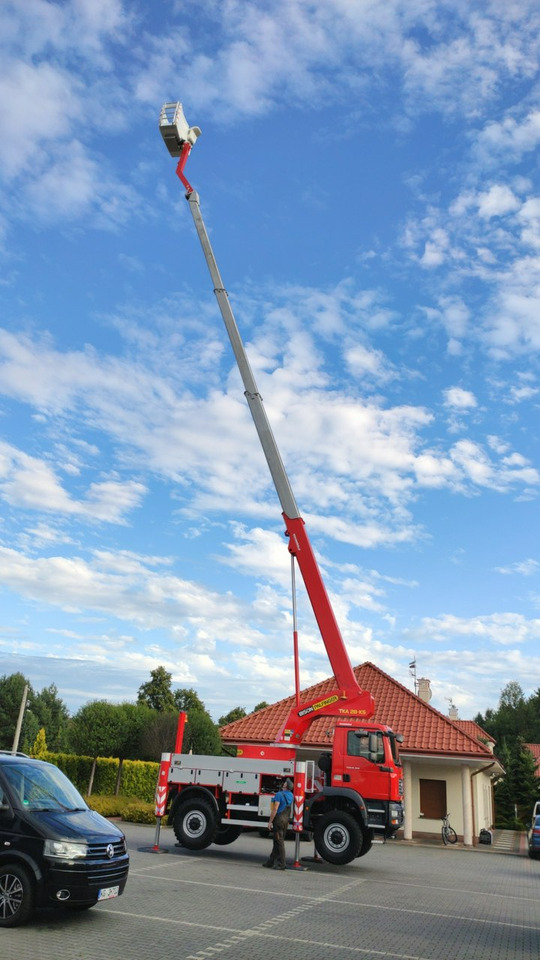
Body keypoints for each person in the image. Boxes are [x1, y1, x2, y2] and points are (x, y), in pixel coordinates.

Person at [262, 778, 294, 870]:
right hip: (285, 821)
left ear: (285, 786)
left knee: (279, 842)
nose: (283, 783)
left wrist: (270, 822)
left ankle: (282, 864)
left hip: (279, 821)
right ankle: (270, 862)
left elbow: (275, 809)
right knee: (277, 841)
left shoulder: (279, 795)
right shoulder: (291, 795)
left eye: (284, 783)